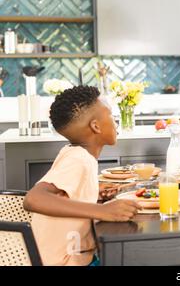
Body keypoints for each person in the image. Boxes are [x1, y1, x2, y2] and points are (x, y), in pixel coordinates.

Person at [23, 86, 142, 266]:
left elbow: (66, 193)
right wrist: (103, 211)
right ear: (95, 126)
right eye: (111, 116)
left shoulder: (73, 152)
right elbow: (33, 198)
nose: (116, 122)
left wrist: (93, 194)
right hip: (62, 262)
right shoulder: (79, 160)